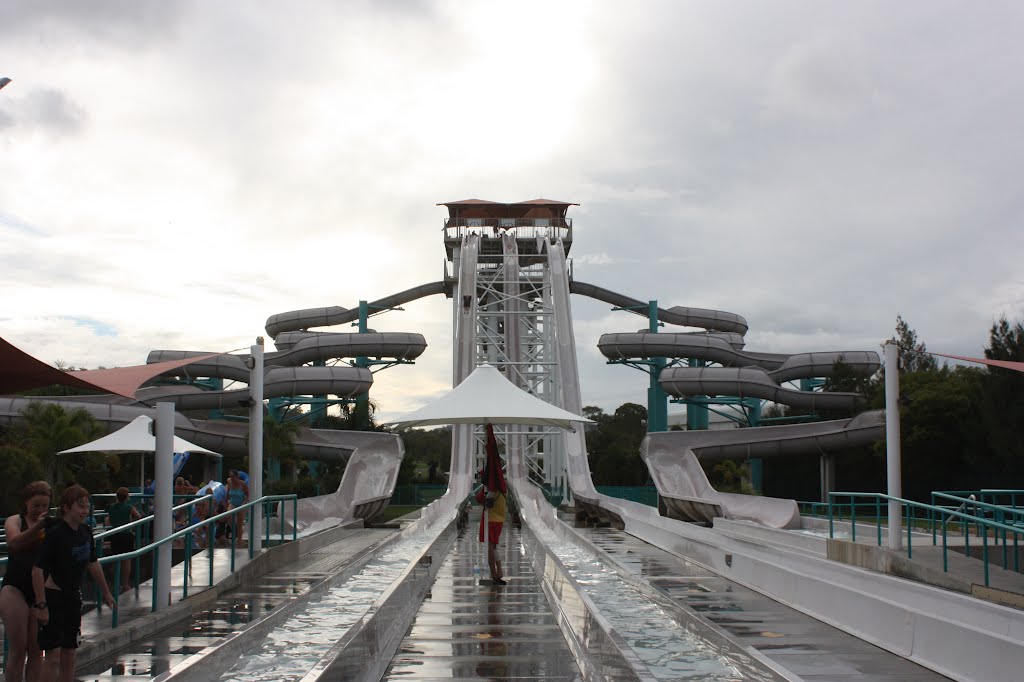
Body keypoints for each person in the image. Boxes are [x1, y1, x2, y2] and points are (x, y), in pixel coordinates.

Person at [33, 484, 116, 682]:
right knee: (53, 655)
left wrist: (106, 592)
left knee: (70, 654)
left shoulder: (86, 532)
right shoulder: (56, 534)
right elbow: (37, 570)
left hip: (72, 596)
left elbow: (93, 563)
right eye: (81, 507)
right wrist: (41, 604)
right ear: (66, 507)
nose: (85, 512)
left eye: (87, 507)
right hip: (54, 596)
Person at [0, 481, 52, 682]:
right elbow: (14, 543)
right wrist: (38, 527)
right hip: (15, 587)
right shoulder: (15, 520)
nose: (40, 509)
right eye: (36, 505)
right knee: (18, 647)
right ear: (26, 502)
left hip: (38, 589)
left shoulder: (51, 524)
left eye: (44, 506)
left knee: (36, 648)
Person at [105, 487, 142, 591]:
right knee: (126, 560)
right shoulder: (129, 507)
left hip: (115, 534)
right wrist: (130, 521)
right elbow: (138, 516)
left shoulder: (111, 507)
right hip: (126, 534)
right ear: (127, 497)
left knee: (116, 558)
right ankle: (125, 584)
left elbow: (109, 519)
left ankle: (115, 582)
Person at [476, 482, 507, 585]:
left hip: (490, 519)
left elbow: (479, 499)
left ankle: (494, 574)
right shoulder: (503, 487)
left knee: (490, 547)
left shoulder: (489, 487)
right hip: (500, 519)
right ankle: (499, 571)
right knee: (493, 547)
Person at [226, 470, 249, 545]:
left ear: (237, 477)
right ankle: (234, 528)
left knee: (240, 523)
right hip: (232, 502)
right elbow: (228, 492)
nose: (232, 478)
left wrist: (244, 502)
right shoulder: (229, 482)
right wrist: (226, 500)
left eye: (233, 477)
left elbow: (248, 495)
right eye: (230, 477)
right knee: (228, 515)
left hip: (240, 503)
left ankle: (239, 541)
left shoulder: (242, 484)